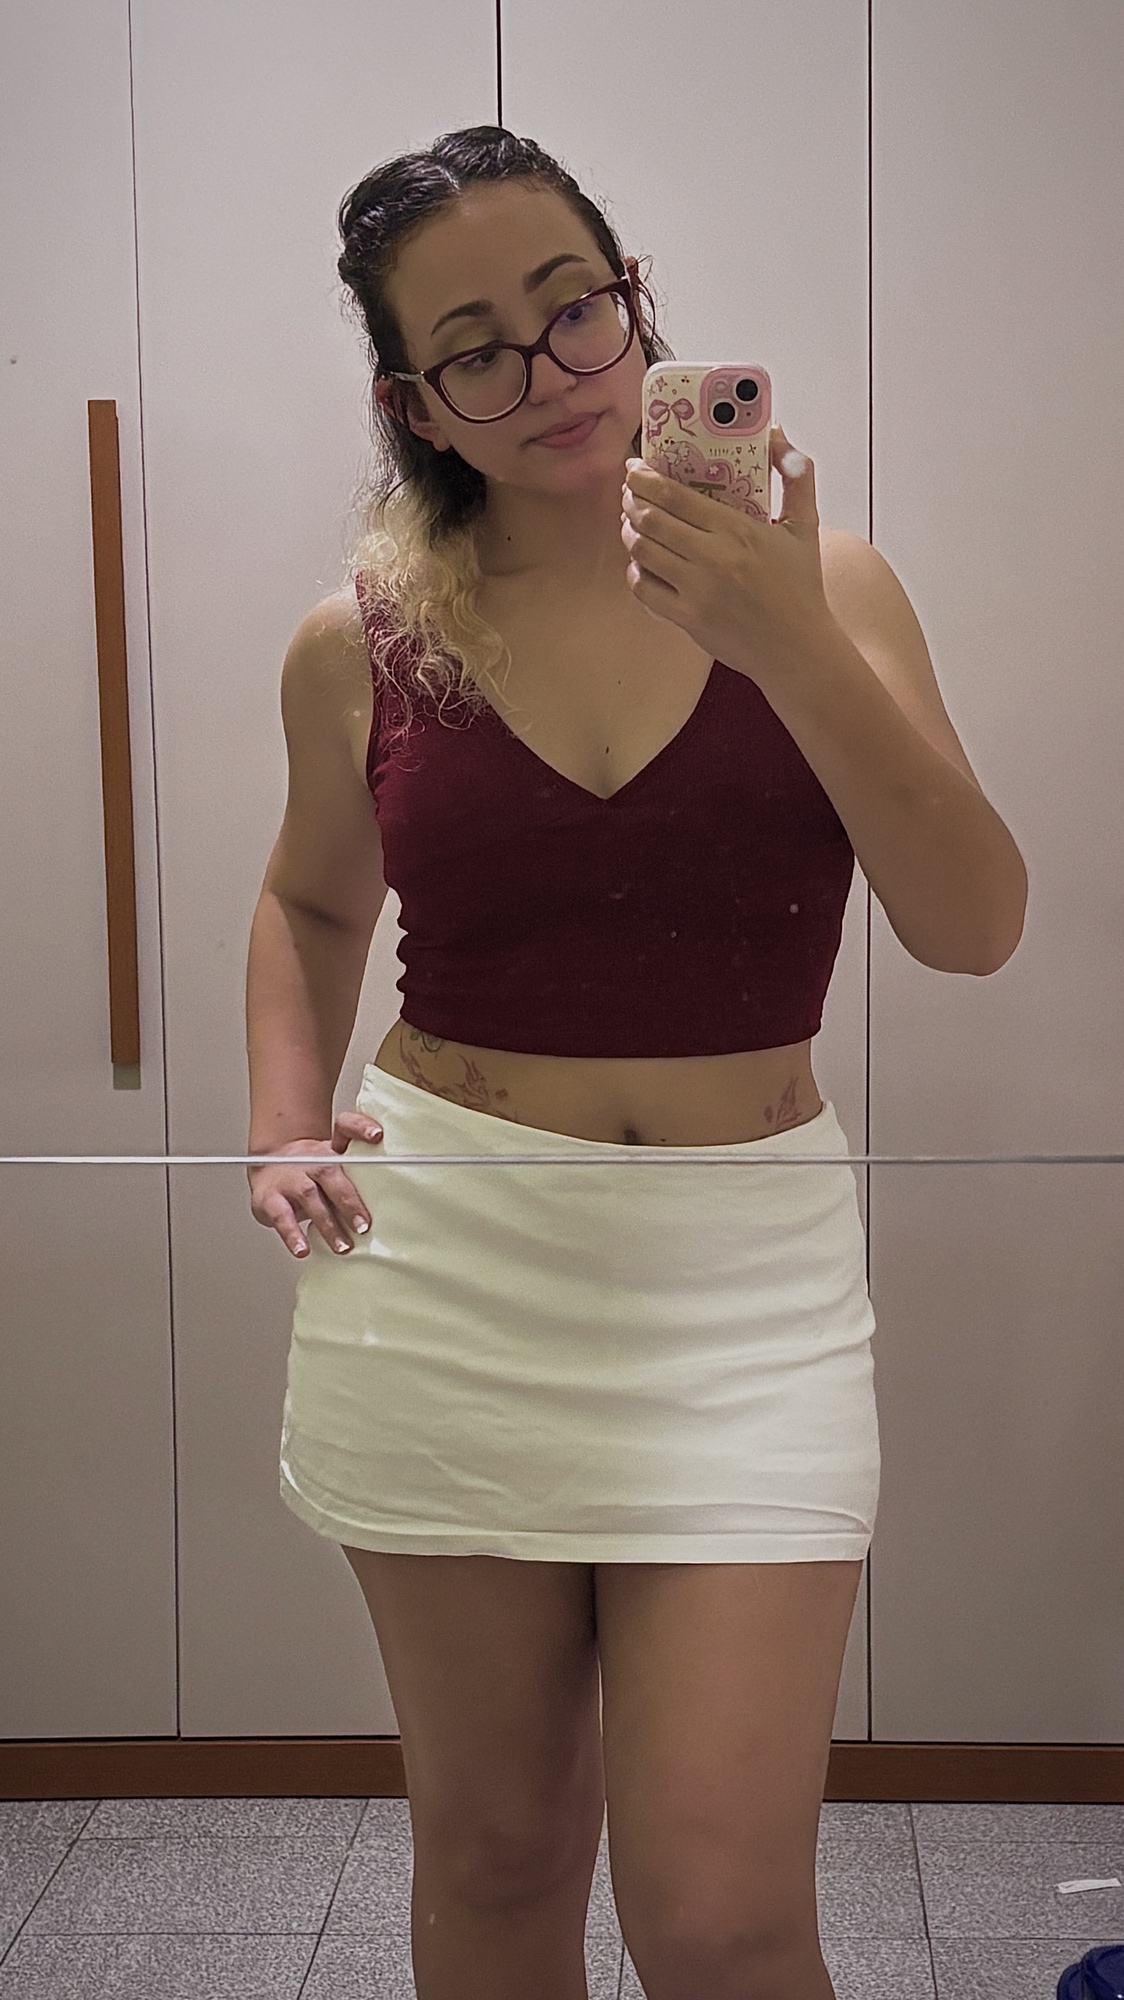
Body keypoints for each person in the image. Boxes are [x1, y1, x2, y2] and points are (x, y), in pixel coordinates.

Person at [245, 127, 1026, 2000]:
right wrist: (280, 1119)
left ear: (635, 302)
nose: (548, 372)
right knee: (500, 1859)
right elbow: (308, 900)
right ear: (411, 401)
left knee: (725, 1920)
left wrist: (789, 638)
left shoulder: (829, 582)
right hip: (446, 1266)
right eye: (475, 349)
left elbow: (973, 924)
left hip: (745, 1288)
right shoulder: (363, 641)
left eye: (572, 307)